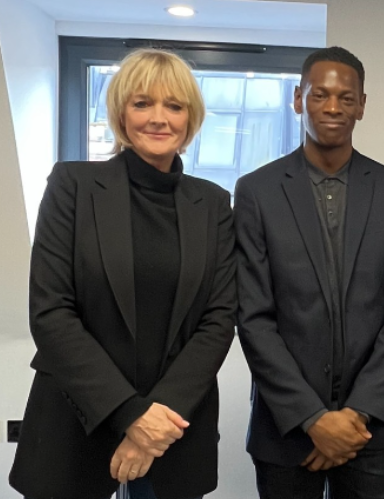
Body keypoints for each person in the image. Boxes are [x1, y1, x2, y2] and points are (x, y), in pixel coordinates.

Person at [9, 48, 236, 499]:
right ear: (120, 112)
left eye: (174, 106)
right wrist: (132, 416)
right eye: (142, 103)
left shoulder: (212, 203)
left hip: (173, 427)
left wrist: (156, 418)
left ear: (191, 118)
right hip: (74, 421)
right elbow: (52, 313)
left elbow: (219, 318)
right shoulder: (72, 186)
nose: (158, 118)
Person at [235, 46, 384, 499]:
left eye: (346, 97)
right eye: (320, 95)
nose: (333, 107)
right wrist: (313, 419)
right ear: (298, 99)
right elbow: (253, 316)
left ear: (362, 105)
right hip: (286, 428)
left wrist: (355, 415)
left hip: (370, 429)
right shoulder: (256, 192)